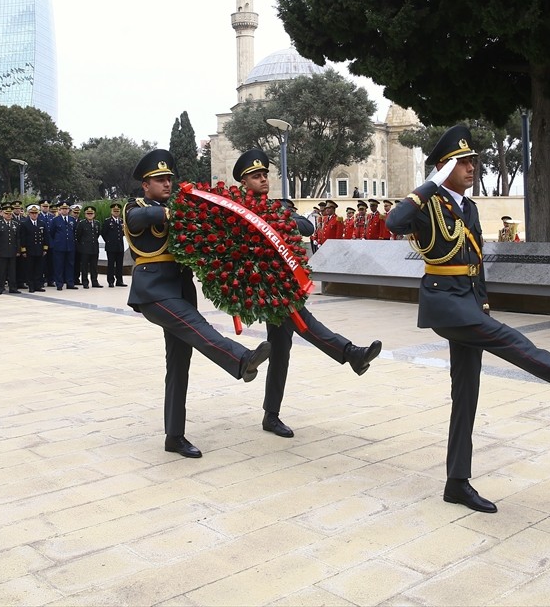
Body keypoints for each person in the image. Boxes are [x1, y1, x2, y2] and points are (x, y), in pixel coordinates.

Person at [386, 124, 550, 514]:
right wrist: (430, 184)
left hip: (469, 305)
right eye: (463, 162)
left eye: (474, 160)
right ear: (443, 168)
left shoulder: (467, 207)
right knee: (520, 346)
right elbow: (394, 222)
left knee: (466, 395)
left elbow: (476, 266)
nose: (473, 167)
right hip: (446, 305)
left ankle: (456, 483)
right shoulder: (428, 206)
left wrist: (484, 305)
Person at [125, 149, 271, 458]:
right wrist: (176, 210)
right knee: (198, 327)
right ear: (145, 186)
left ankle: (174, 436)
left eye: (169, 179)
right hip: (153, 290)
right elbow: (142, 218)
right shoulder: (135, 207)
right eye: (160, 180)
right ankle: (241, 359)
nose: (167, 184)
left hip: (180, 288)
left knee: (179, 365)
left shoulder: (179, 208)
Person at [233, 149, 382, 438]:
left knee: (280, 351)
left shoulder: (278, 207)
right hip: (265, 288)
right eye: (256, 176)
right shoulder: (238, 211)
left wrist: (276, 221)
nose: (263, 179)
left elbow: (306, 225)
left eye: (265, 174)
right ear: (243, 183)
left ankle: (271, 415)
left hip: (284, 284)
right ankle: (352, 354)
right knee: (304, 324)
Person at [0, 203, 22, 294]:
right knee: (1, 270)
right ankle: (0, 287)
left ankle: (13, 287)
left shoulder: (15, 224)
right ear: (3, 214)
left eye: (10, 214)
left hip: (12, 251)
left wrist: (18, 250)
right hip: (2, 251)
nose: (8, 215)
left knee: (12, 271)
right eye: (6, 213)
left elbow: (18, 238)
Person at [19, 204, 48, 293]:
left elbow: (45, 237)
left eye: (35, 213)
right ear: (29, 214)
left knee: (39, 269)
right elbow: (22, 238)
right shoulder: (24, 224)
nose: (34, 215)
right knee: (30, 269)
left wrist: (45, 249)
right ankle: (31, 286)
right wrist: (23, 250)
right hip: (29, 250)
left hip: (39, 249)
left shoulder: (42, 223)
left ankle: (37, 285)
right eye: (32, 213)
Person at [49, 201, 78, 290]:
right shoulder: (55, 220)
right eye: (63, 209)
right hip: (59, 246)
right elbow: (52, 233)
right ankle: (59, 283)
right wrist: (55, 244)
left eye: (66, 209)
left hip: (70, 246)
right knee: (59, 265)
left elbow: (74, 232)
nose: (65, 210)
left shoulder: (72, 220)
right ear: (60, 210)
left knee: (70, 265)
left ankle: (70, 283)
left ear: (69, 210)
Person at [76, 205, 103, 288]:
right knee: (84, 266)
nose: (90, 215)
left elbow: (97, 234)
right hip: (85, 249)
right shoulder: (81, 223)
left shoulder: (97, 223)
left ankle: (94, 282)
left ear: (94, 214)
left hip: (94, 248)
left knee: (94, 266)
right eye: (88, 213)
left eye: (91, 213)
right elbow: (78, 236)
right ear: (85, 214)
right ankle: (85, 282)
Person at [102, 203, 126, 287]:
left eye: (117, 211)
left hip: (120, 246)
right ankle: (111, 281)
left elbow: (123, 233)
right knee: (111, 264)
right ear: (111, 211)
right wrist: (108, 241)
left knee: (119, 264)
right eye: (114, 211)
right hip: (111, 247)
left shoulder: (122, 221)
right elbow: (104, 233)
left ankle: (119, 281)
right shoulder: (108, 221)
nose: (116, 212)